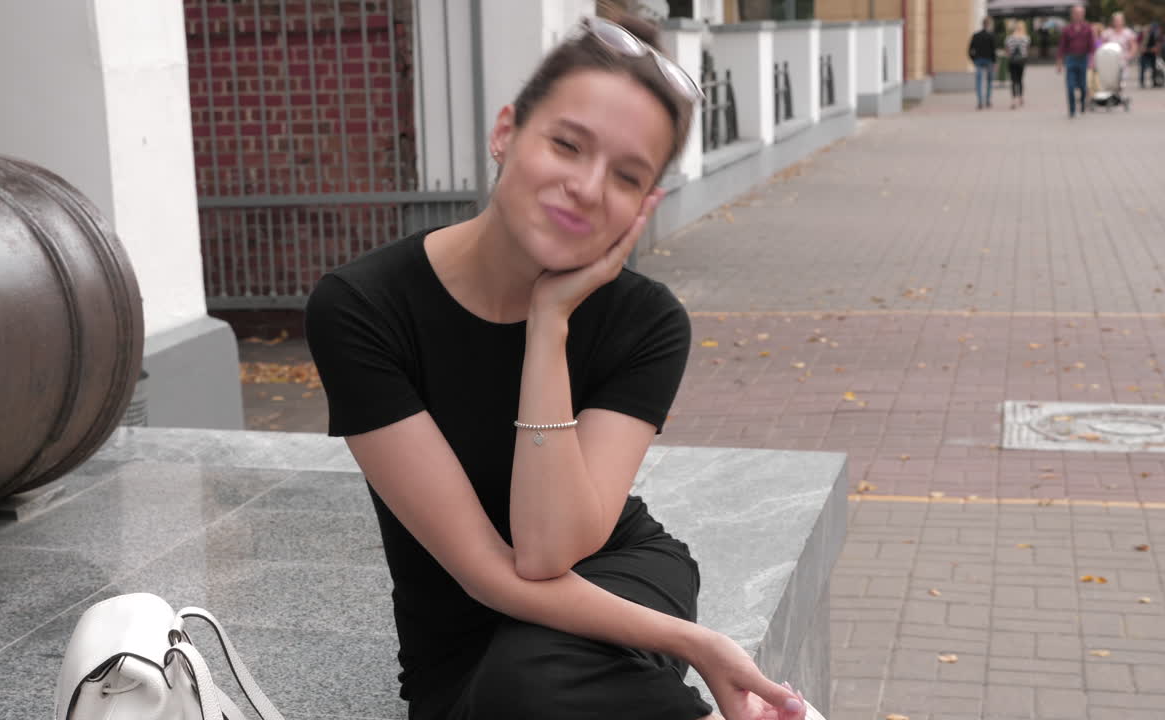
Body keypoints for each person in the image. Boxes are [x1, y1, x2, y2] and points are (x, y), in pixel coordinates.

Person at [304, 13, 810, 720]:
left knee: (536, 681)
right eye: (567, 144)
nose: (586, 185)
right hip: (462, 638)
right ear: (506, 132)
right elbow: (493, 570)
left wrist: (549, 326)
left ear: (644, 205)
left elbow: (551, 549)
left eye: (626, 176)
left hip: (616, 568)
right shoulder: (363, 308)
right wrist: (697, 643)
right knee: (526, 684)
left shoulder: (649, 322)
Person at [1057, 6, 1096, 117]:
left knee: (1083, 87)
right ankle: (1072, 110)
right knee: (1070, 86)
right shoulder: (1067, 29)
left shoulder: (1087, 28)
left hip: (1083, 59)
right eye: (1076, 13)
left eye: (1081, 13)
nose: (1079, 15)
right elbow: (1062, 47)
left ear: (1083, 15)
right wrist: (1059, 62)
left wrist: (1092, 61)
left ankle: (1083, 104)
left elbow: (1092, 47)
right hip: (1071, 59)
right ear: (1073, 15)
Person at [1101, 12, 1138, 92]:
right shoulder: (1107, 33)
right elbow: (1102, 46)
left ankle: (1118, 95)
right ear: (1113, 22)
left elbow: (1134, 45)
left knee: (1121, 82)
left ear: (1123, 21)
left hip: (1122, 61)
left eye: (1119, 20)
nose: (1117, 22)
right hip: (1110, 61)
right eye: (1116, 20)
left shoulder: (1128, 33)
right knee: (1110, 81)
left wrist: (1130, 55)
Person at [969, 17, 997, 109]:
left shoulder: (976, 35)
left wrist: (973, 59)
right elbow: (993, 50)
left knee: (979, 81)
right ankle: (988, 100)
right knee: (989, 81)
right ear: (988, 25)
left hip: (978, 60)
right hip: (989, 60)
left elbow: (970, 50)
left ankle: (980, 102)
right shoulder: (991, 35)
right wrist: (995, 62)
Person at [1006, 20, 1031, 108]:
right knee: (1020, 80)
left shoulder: (1009, 38)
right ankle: (1020, 97)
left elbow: (1007, 51)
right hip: (1021, 61)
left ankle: (1013, 100)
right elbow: (1027, 50)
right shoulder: (1026, 38)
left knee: (1013, 80)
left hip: (1012, 61)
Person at [1141, 21, 1163, 87]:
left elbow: (1159, 43)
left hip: (1152, 53)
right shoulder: (1144, 35)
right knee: (1143, 69)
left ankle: (1154, 82)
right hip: (1144, 54)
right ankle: (1142, 82)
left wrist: (1156, 49)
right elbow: (1140, 44)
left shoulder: (1156, 35)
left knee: (1154, 68)